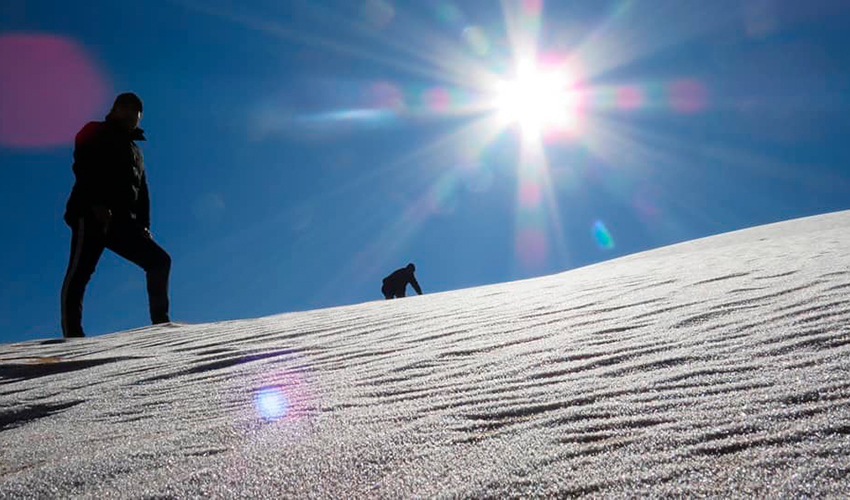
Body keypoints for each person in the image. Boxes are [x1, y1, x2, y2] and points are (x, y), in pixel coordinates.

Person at [60, 92, 171, 338]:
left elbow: (142, 192)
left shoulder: (136, 151)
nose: (134, 118)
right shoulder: (95, 131)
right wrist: (97, 201)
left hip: (122, 221)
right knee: (80, 272)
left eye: (138, 115)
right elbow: (84, 165)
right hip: (91, 213)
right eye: (130, 111)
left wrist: (143, 224)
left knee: (160, 261)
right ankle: (73, 335)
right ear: (117, 109)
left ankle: (162, 324)